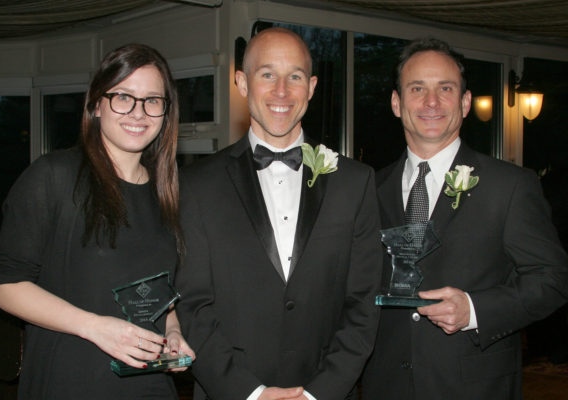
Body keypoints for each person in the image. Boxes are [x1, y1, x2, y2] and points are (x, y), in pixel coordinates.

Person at [176, 27, 382, 400]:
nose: (282, 91)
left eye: (296, 77)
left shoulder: (355, 182)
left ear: (313, 86)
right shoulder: (196, 185)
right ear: (242, 82)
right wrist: (250, 393)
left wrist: (317, 393)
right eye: (267, 74)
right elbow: (193, 306)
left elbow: (364, 303)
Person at [361, 37, 568, 399]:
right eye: (417, 88)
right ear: (397, 103)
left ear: (465, 102)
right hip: (386, 385)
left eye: (445, 88)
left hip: (474, 387)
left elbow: (554, 280)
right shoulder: (368, 189)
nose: (431, 102)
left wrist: (475, 310)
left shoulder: (510, 185)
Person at [0, 43, 194, 399]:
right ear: (97, 103)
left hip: (150, 387)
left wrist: (173, 332)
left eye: (152, 101)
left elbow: (158, 289)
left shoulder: (169, 191)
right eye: (123, 97)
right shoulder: (53, 177)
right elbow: (6, 286)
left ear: (166, 112)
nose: (138, 112)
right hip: (71, 381)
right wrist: (94, 327)